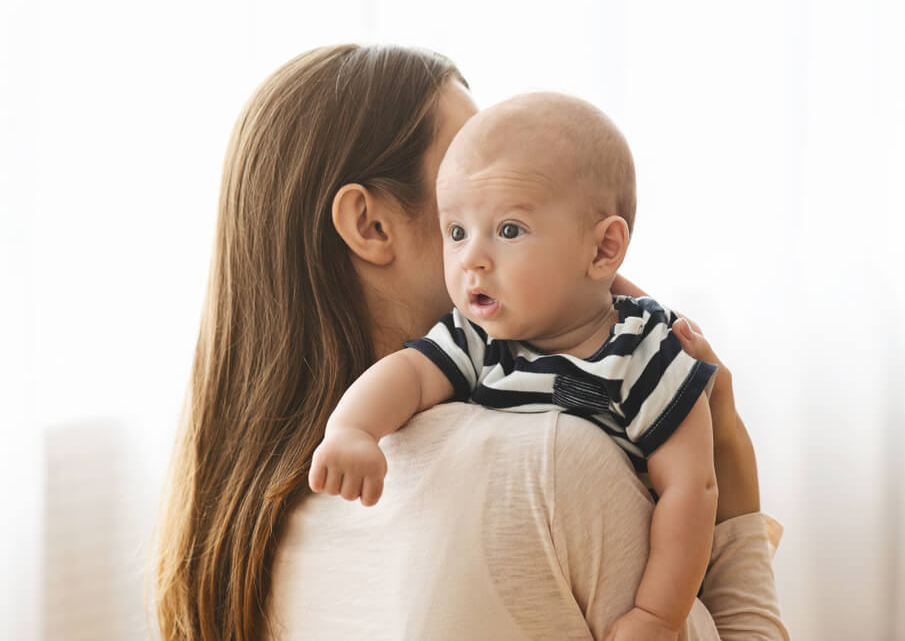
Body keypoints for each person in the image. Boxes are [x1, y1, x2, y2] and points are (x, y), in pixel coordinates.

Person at [153, 44, 788, 641]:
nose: (492, 174)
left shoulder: (238, 520)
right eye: (459, 198)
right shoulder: (552, 461)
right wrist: (730, 459)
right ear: (370, 224)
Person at [308, 91, 720, 639]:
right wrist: (353, 429)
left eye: (508, 230)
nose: (472, 258)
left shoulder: (643, 347)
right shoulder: (482, 338)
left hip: (646, 582)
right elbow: (407, 374)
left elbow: (692, 490)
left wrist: (657, 614)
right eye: (455, 232)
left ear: (603, 250)